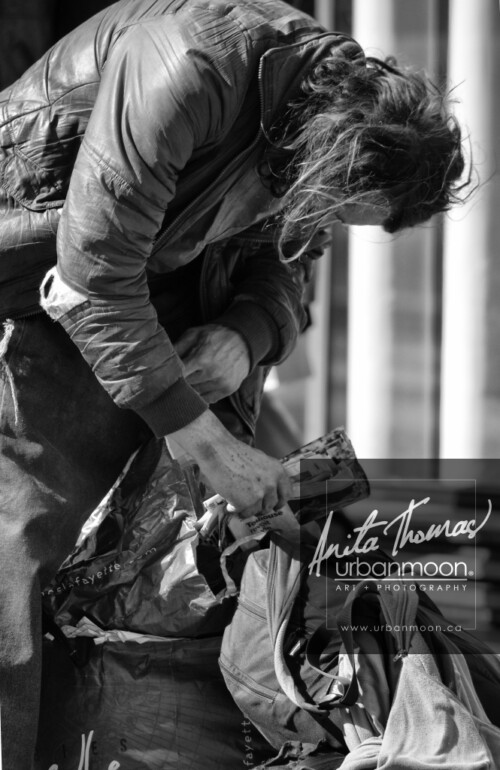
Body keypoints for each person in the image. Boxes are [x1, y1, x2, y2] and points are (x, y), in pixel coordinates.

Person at [0, 0, 467, 767]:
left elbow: (289, 267)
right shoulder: (188, 69)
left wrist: (246, 334)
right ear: (337, 155)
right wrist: (210, 446)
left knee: (156, 590)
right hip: (37, 303)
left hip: (156, 320)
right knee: (17, 564)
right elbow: (91, 276)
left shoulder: (321, 111)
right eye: (343, 208)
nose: (332, 224)